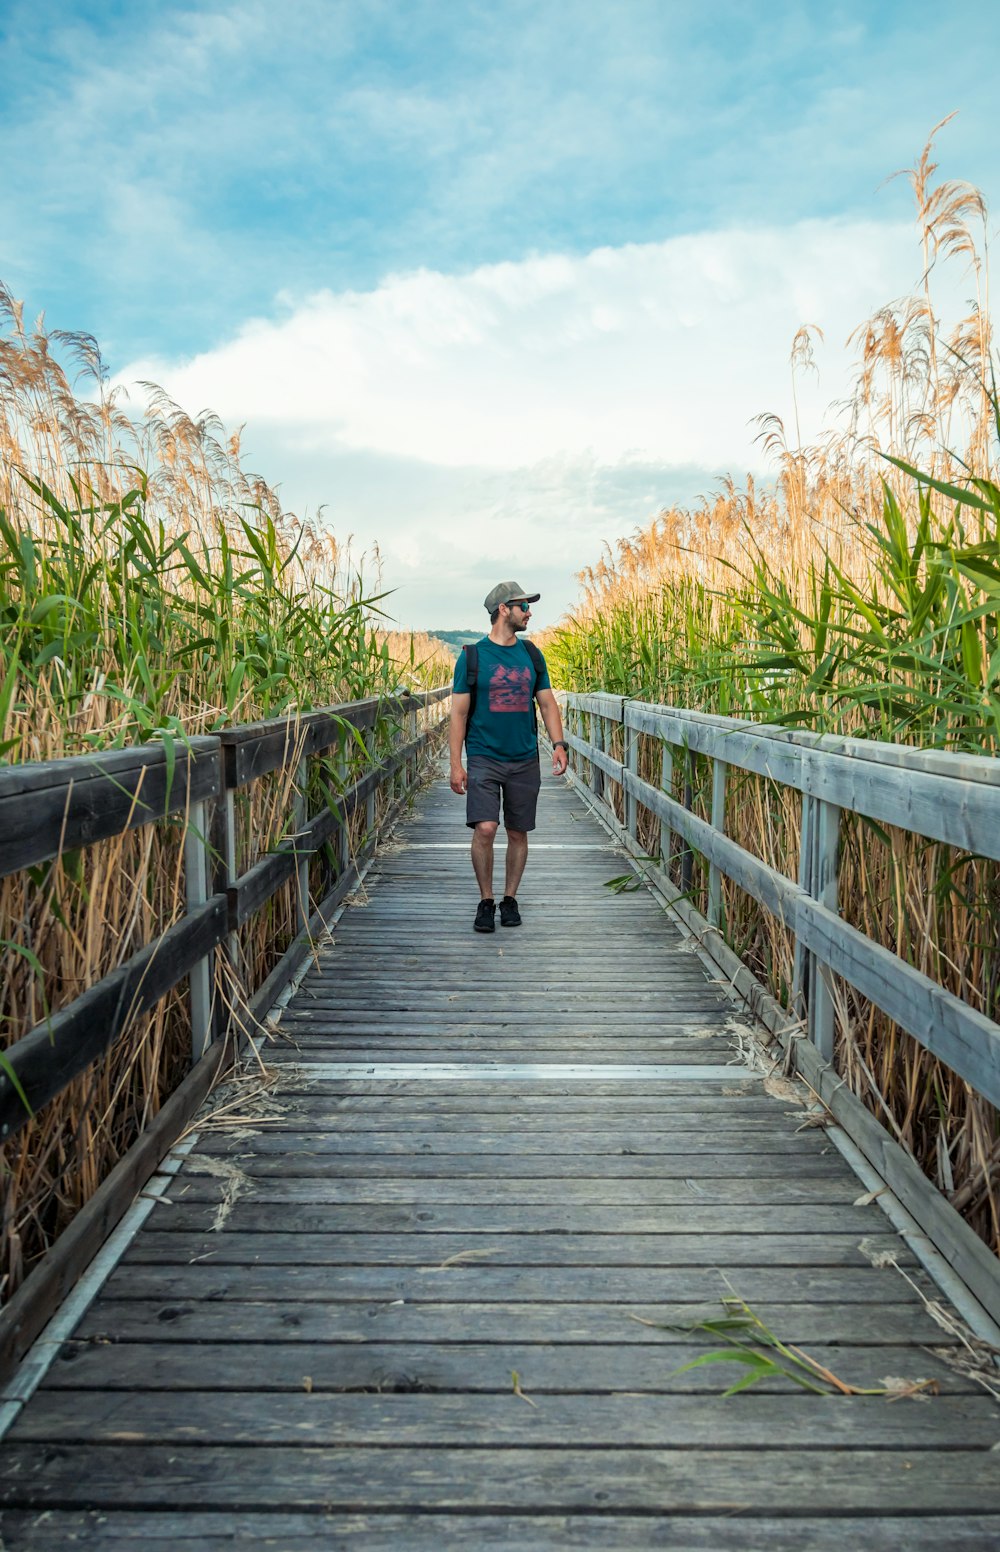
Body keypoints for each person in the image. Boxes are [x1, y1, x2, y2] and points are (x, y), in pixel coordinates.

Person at [449, 581, 569, 933]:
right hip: (485, 755)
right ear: (504, 609)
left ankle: (509, 898)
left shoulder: (532, 654)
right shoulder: (472, 656)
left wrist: (559, 743)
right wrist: (457, 764)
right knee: (485, 828)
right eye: (524, 606)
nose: (529, 611)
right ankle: (486, 900)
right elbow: (458, 713)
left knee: (518, 832)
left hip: (524, 757)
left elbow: (546, 702)